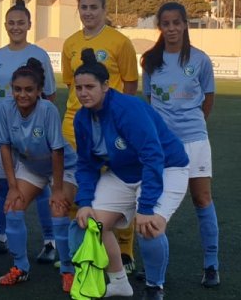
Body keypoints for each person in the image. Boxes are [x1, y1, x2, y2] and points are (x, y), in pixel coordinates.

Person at [72, 49, 189, 300]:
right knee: (93, 224)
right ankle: (118, 283)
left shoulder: (127, 109)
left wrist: (146, 207)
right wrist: (83, 203)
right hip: (124, 173)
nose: (83, 93)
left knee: (150, 227)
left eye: (89, 87)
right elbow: (86, 164)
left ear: (105, 86)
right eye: (78, 88)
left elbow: (153, 156)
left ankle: (154, 285)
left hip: (167, 168)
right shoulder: (82, 118)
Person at [141, 2, 220, 289]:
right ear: (159, 27)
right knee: (157, 204)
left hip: (195, 140)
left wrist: (194, 124)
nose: (172, 28)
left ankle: (211, 265)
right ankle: (153, 266)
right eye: (166, 23)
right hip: (162, 146)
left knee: (202, 199)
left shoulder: (200, 60)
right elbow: (148, 101)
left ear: (185, 24)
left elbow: (208, 98)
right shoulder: (150, 61)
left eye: (177, 22)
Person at [61, 0, 141, 272]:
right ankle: (82, 248)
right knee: (77, 187)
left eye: (94, 7)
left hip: (112, 129)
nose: (88, 13)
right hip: (74, 127)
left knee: (120, 188)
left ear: (105, 10)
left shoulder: (120, 42)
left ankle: (124, 251)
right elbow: (72, 85)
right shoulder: (70, 43)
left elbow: (130, 86)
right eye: (83, 7)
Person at [0, 57, 79, 291]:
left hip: (62, 167)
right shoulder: (4, 108)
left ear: (39, 91)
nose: (23, 95)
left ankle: (68, 270)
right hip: (31, 167)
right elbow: (5, 147)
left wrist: (58, 189)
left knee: (58, 209)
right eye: (18, 89)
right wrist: (12, 186)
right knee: (13, 207)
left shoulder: (47, 109)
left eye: (29, 90)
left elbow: (57, 151)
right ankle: (20, 268)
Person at [0, 0, 58, 263]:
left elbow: (48, 96)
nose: (16, 27)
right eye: (11, 23)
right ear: (5, 25)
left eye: (21, 23)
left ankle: (50, 241)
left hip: (31, 136)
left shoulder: (39, 55)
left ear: (29, 25)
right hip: (2, 133)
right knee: (3, 184)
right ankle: (0, 236)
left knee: (40, 186)